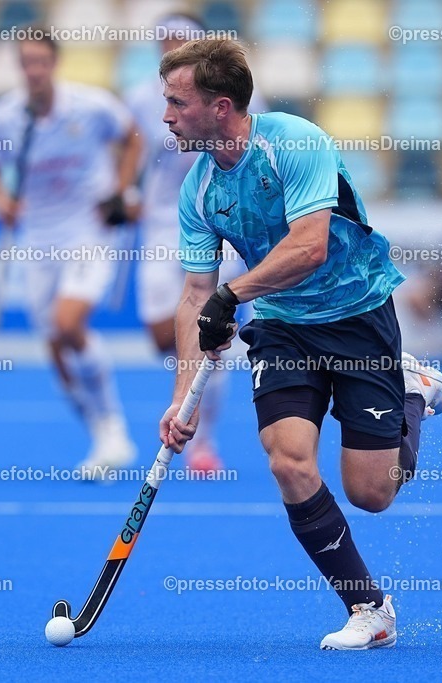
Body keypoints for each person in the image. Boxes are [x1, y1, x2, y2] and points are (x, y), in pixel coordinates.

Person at [155, 39, 442, 650]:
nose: (166, 117)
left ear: (221, 106)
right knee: (287, 458)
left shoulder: (293, 142)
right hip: (285, 325)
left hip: (356, 312)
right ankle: (369, 608)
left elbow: (309, 246)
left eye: (177, 103)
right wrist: (182, 400)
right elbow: (193, 296)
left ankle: (413, 391)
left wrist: (232, 295)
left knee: (371, 493)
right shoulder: (199, 189)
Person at [0, 29, 143, 478]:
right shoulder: (3, 118)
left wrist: (122, 188)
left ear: (54, 62)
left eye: (40, 61)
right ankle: (100, 433)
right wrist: (2, 201)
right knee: (54, 345)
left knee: (69, 323)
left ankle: (114, 427)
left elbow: (133, 136)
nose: (34, 70)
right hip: (39, 238)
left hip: (89, 231)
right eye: (25, 62)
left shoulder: (90, 107)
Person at [126, 12, 268, 472]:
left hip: (218, 213)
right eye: (164, 40)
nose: (170, 48)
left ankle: (202, 436)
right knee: (161, 331)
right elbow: (130, 153)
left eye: (179, 40)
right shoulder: (142, 99)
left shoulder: (231, 93)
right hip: (163, 219)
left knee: (210, 321)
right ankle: (192, 376)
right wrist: (125, 193)